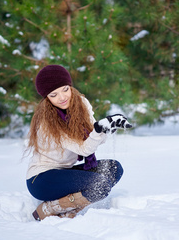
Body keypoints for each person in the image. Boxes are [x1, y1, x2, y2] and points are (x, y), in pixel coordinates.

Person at [26, 64, 132, 221]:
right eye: (53, 95)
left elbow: (93, 138)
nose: (62, 97)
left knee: (114, 168)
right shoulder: (47, 122)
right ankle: (49, 208)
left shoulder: (81, 104)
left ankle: (69, 208)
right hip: (41, 179)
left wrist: (106, 128)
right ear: (46, 98)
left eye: (65, 89)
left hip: (65, 172)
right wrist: (99, 129)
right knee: (100, 184)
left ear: (70, 86)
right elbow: (84, 149)